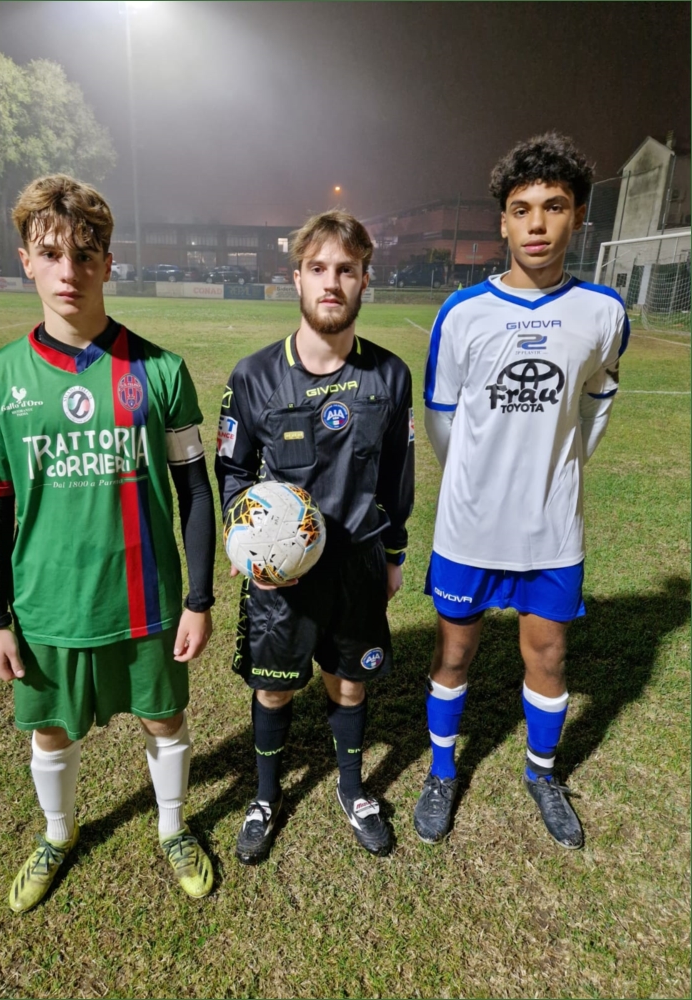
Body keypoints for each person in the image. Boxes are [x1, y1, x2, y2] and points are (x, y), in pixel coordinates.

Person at [0, 174, 217, 910]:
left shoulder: (159, 370)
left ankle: (172, 826)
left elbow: (196, 492)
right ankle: (58, 833)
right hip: (47, 605)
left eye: (84, 253)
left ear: (108, 261)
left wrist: (198, 599)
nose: (68, 270)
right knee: (51, 732)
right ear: (26, 262)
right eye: (50, 253)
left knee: (164, 718)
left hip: (146, 600)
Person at [417, 133, 630, 850]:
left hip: (550, 530)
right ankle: (442, 772)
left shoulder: (603, 312)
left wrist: (557, 468)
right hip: (469, 528)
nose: (537, 223)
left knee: (549, 659)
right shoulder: (462, 313)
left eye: (554, 206)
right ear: (503, 222)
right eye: (521, 209)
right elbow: (442, 418)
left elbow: (598, 398)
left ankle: (542, 773)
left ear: (578, 218)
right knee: (453, 657)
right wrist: (477, 483)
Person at [215, 210, 414, 863]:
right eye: (318, 268)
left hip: (358, 565)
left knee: (348, 683)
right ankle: (265, 795)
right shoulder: (254, 376)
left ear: (364, 280)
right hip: (283, 576)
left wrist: (393, 554)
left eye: (346, 270)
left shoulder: (389, 375)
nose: (332, 282)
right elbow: (234, 471)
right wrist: (246, 542)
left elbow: (397, 473)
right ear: (296, 277)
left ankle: (352, 790)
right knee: (273, 687)